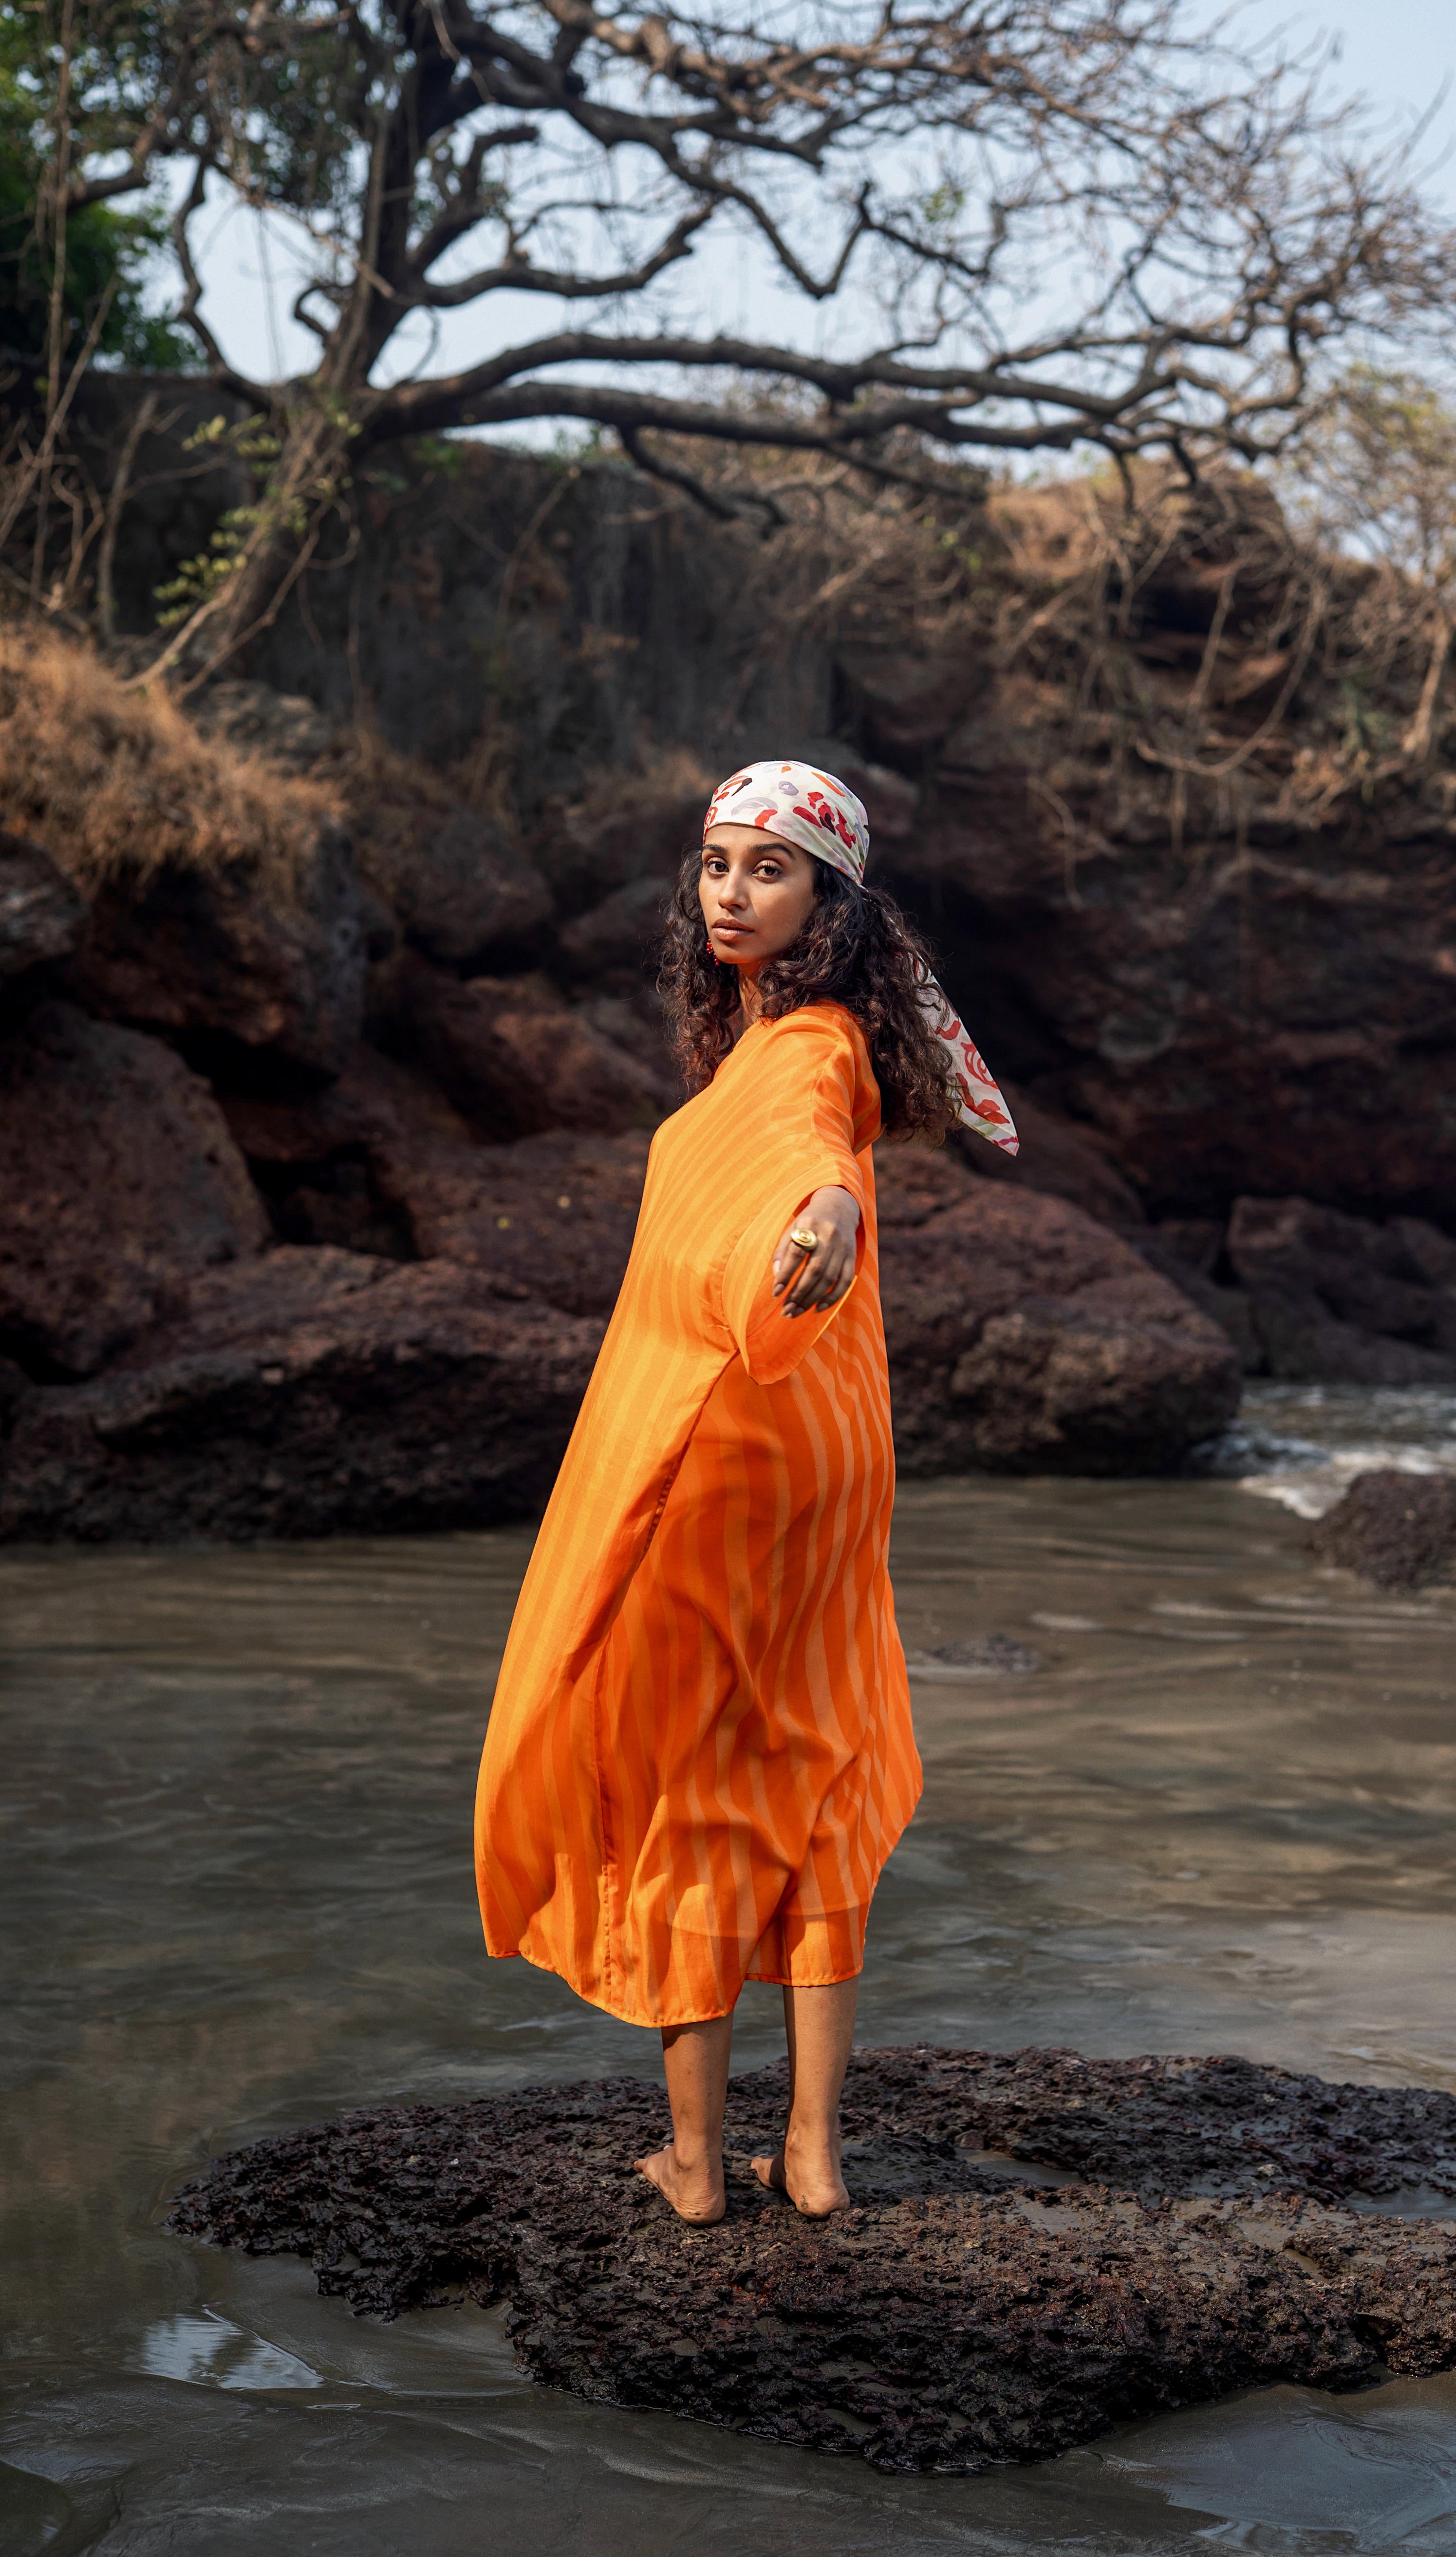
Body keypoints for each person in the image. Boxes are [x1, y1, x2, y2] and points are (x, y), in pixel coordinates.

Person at [473, 761, 1016, 2224]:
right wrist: (822, 1199)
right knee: (814, 1756)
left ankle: (699, 2162)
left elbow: (813, 1150)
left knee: (696, 1777)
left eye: (767, 868)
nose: (730, 891)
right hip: (831, 1454)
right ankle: (816, 2156)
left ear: (830, 901)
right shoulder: (787, 1040)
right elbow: (815, 1138)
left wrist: (828, 1208)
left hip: (730, 1444)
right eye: (715, 864)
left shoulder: (807, 1047)